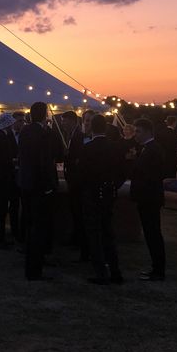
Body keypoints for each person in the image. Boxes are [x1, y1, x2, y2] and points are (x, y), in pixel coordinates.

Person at [80, 113, 124, 284]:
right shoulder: (115, 148)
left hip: (92, 194)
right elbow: (122, 172)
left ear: (91, 127)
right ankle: (115, 269)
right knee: (108, 232)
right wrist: (113, 186)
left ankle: (100, 271)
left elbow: (82, 173)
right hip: (108, 193)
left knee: (94, 233)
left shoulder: (87, 149)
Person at [18, 101, 58, 280]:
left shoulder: (24, 131)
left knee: (29, 221)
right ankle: (35, 266)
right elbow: (45, 162)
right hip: (39, 185)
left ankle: (29, 259)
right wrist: (49, 185)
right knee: (39, 225)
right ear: (44, 115)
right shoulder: (44, 134)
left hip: (25, 183)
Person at [129, 118, 166, 281]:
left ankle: (158, 270)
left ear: (147, 132)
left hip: (149, 198)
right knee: (151, 233)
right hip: (148, 197)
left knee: (153, 234)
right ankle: (155, 267)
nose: (135, 134)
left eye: (138, 131)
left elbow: (150, 174)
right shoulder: (147, 149)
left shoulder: (152, 150)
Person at [0, 112, 20, 248]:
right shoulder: (2, 138)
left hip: (0, 177)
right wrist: (12, 161)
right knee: (1, 209)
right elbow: (3, 158)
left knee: (0, 209)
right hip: (3, 177)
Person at [61, 111, 88, 261]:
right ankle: (76, 237)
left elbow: (77, 159)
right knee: (75, 210)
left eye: (64, 121)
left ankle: (78, 239)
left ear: (72, 121)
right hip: (73, 179)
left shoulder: (78, 136)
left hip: (76, 181)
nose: (63, 124)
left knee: (78, 211)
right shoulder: (73, 134)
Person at [155, 115, 177, 180]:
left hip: (163, 156)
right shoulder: (175, 133)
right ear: (174, 122)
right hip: (172, 156)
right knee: (171, 174)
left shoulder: (161, 132)